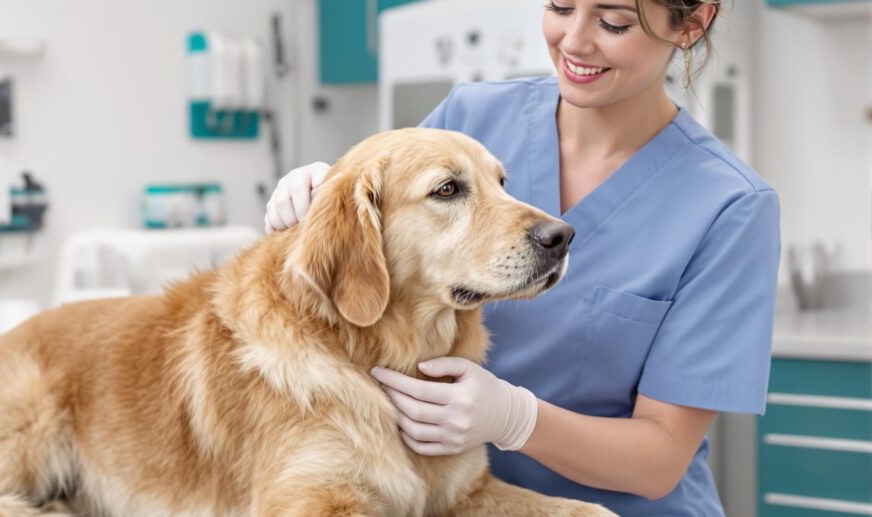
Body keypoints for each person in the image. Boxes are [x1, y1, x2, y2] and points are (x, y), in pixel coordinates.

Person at [264, 0, 780, 514]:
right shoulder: (471, 117)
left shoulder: (730, 207)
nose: (574, 41)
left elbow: (661, 459)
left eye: (613, 21)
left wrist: (517, 420)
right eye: (560, 6)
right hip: (460, 500)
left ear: (691, 24)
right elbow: (371, 281)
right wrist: (324, 197)